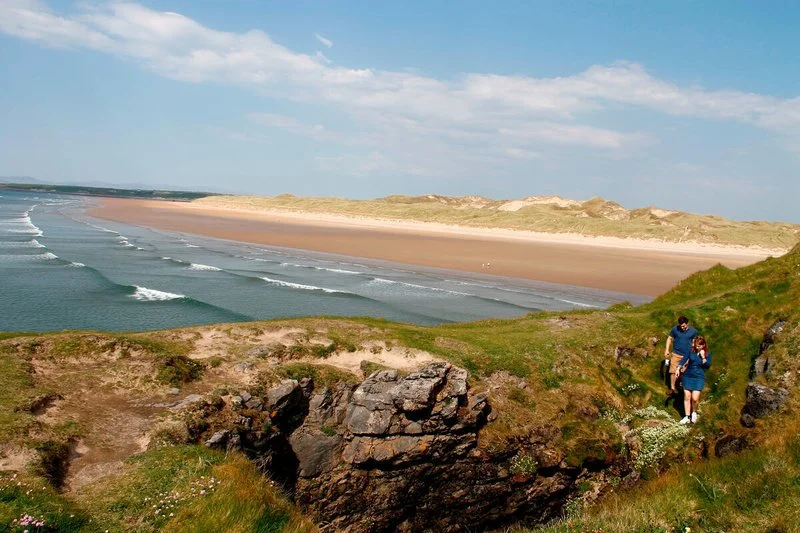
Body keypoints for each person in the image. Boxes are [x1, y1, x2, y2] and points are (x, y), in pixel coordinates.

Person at [676, 336, 711, 424]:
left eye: (699, 346)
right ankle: (687, 416)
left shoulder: (707, 354)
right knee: (687, 397)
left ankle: (694, 412)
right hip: (688, 375)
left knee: (695, 398)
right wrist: (678, 368)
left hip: (698, 376)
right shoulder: (691, 351)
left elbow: (707, 366)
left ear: (703, 345)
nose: (697, 347)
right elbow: (684, 359)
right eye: (696, 345)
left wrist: (703, 357)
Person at [664, 316, 698, 397]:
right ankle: (672, 389)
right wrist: (667, 350)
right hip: (676, 353)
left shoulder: (693, 331)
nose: (682, 327)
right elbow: (669, 338)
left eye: (683, 326)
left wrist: (693, 354)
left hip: (686, 355)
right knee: (673, 371)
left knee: (683, 372)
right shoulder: (675, 329)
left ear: (687, 323)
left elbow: (694, 343)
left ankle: (682, 387)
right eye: (680, 326)